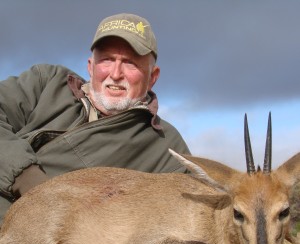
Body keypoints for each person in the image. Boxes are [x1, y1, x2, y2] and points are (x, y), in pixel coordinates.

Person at [0, 13, 190, 223]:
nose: (116, 73)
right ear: (90, 66)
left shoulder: (168, 147)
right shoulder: (47, 81)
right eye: (107, 59)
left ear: (152, 77)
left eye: (130, 63)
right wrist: (29, 181)